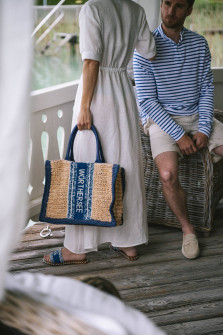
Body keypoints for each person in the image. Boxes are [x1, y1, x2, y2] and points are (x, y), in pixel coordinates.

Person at [44, 0, 156, 265]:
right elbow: (149, 51)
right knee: (124, 165)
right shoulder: (135, 9)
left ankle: (77, 248)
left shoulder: (92, 7)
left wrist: (84, 106)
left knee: (85, 166)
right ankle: (129, 241)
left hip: (96, 96)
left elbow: (91, 62)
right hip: (123, 92)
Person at [133, 0, 223, 259]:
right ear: (161, 5)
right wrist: (179, 135)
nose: (171, 11)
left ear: (189, 10)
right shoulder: (144, 47)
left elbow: (207, 89)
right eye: (166, 4)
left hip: (197, 116)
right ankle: (188, 229)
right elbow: (148, 102)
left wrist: (204, 129)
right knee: (168, 174)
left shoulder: (199, 44)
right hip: (162, 120)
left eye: (179, 6)